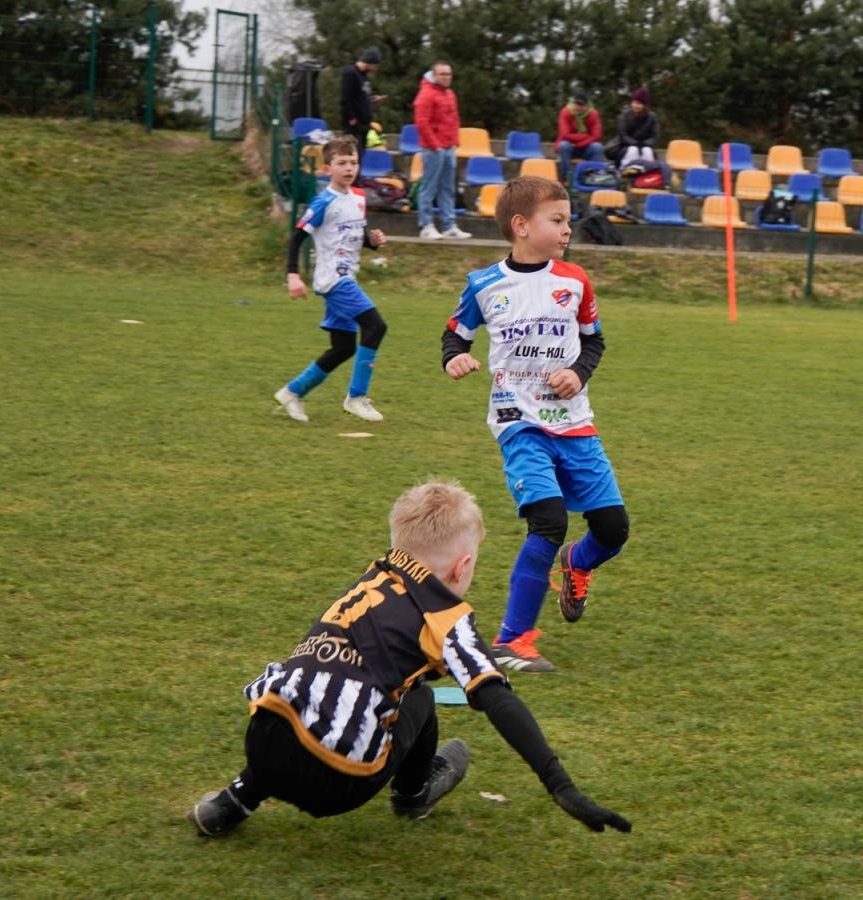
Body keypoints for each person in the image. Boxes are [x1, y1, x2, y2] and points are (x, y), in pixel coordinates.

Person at [184, 480, 632, 837]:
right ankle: (414, 794)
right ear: (462, 567)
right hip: (339, 782)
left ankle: (233, 800)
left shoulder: (375, 575)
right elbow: (497, 698)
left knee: (315, 686)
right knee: (418, 698)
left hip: (261, 741)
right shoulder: (445, 616)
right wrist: (561, 785)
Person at [441, 176, 631, 673]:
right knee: (547, 519)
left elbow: (594, 342)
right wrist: (454, 361)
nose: (568, 229)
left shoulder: (575, 282)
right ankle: (513, 641)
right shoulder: (483, 285)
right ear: (521, 226)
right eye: (558, 220)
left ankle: (578, 563)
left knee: (613, 530)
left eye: (568, 220)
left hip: (575, 424)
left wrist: (577, 372)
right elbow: (454, 337)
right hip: (517, 422)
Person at [274, 135, 389, 424]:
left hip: (346, 276)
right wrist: (292, 275)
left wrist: (371, 241)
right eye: (341, 163)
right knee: (375, 326)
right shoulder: (323, 201)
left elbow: (349, 236)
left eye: (353, 162)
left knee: (344, 347)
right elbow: (297, 237)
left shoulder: (359, 198)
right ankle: (357, 397)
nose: (348, 168)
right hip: (334, 280)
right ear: (328, 169)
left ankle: (292, 392)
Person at [413, 60, 470, 240]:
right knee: (429, 188)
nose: (446, 77)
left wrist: (454, 141)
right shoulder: (426, 95)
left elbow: (454, 119)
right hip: (433, 149)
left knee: (448, 188)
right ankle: (426, 225)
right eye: (442, 74)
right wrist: (434, 145)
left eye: (448, 74)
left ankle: (448, 225)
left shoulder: (450, 94)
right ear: (434, 75)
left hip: (448, 147)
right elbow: (422, 123)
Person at [340, 48, 384, 148]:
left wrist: (372, 99)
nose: (375, 69)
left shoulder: (363, 76)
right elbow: (346, 98)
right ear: (370, 62)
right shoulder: (350, 73)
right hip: (354, 124)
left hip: (364, 123)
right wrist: (352, 119)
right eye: (375, 66)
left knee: (360, 156)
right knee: (352, 153)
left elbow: (360, 96)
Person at [555, 93, 604, 183]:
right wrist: (585, 136)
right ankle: (567, 178)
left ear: (587, 106)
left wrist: (579, 144)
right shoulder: (565, 112)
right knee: (564, 145)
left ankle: (593, 176)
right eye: (576, 104)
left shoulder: (593, 114)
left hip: (585, 147)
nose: (577, 107)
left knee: (598, 147)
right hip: (570, 146)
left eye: (581, 105)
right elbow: (565, 134)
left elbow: (597, 136)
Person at [612, 87, 661, 169]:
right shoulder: (625, 115)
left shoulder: (652, 117)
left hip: (646, 145)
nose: (635, 105)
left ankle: (648, 171)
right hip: (627, 146)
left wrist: (645, 144)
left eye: (639, 103)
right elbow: (622, 134)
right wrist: (635, 143)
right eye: (634, 102)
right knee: (632, 150)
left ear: (644, 105)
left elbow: (655, 136)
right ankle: (626, 170)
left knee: (647, 151)